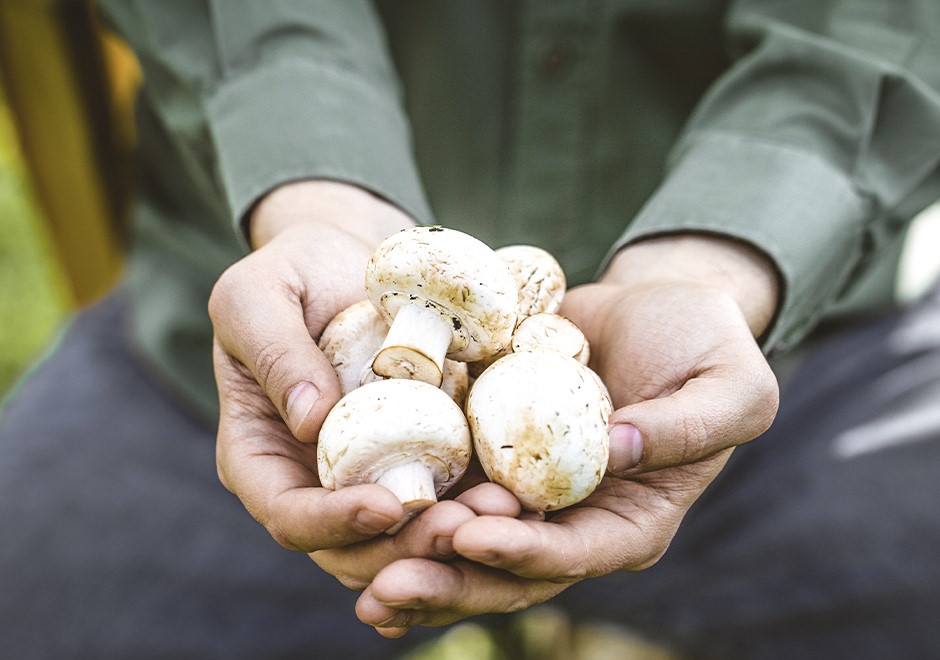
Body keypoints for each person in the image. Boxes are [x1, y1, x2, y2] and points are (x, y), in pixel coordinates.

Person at [1, 1, 939, 657]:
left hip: (792, 369)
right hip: (254, 369)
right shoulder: (372, 325)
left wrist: (716, 273)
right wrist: (316, 203)